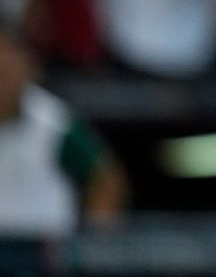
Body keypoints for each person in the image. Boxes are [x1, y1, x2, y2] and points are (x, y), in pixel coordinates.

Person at [0, 24, 128, 238]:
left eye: (4, 72)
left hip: (44, 258)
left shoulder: (52, 121)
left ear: (28, 67)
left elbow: (106, 180)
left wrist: (93, 242)